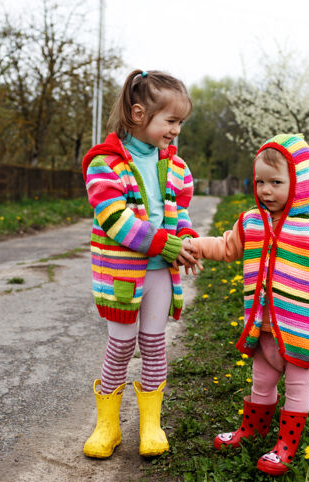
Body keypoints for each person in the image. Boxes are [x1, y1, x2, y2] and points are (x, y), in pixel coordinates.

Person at [187, 134, 309, 476]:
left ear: (299, 183)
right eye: (259, 182)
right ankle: (253, 429)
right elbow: (227, 247)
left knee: (298, 387)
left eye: (276, 182)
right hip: (264, 328)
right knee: (261, 380)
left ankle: (286, 444)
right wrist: (197, 245)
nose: (266, 190)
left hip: (301, 331)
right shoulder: (251, 222)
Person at [81, 69, 203, 459]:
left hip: (159, 276)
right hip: (121, 274)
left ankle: (151, 424)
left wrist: (186, 241)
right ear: (138, 114)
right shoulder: (104, 163)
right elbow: (114, 219)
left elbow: (177, 213)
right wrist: (167, 245)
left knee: (153, 344)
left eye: (180, 123)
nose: (176, 131)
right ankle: (107, 426)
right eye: (170, 121)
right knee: (120, 345)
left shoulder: (177, 167)